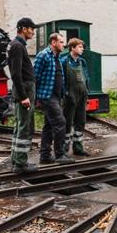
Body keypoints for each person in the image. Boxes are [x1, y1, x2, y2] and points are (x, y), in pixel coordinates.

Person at [5, 18, 40, 174]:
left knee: (20, 125)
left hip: (24, 89)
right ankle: (20, 164)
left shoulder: (16, 45)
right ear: (23, 29)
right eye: (31, 29)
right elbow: (16, 74)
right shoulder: (18, 46)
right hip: (24, 90)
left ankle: (16, 159)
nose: (33, 31)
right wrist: (24, 96)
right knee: (25, 127)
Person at [34, 33, 74, 164]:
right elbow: (35, 77)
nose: (64, 44)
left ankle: (45, 155)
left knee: (49, 125)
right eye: (61, 42)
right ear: (53, 42)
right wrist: (36, 98)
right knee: (60, 123)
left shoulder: (57, 57)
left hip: (56, 96)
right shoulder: (43, 55)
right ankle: (59, 154)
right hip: (47, 96)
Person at [61, 38, 90, 156]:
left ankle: (78, 147)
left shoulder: (82, 62)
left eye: (82, 47)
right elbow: (62, 80)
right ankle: (64, 148)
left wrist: (87, 91)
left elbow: (86, 78)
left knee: (81, 121)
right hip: (70, 97)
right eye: (79, 47)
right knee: (67, 122)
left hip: (82, 96)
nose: (82, 49)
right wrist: (66, 93)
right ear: (72, 48)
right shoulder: (64, 61)